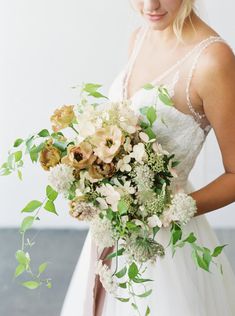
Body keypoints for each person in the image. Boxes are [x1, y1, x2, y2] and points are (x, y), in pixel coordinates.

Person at [60, 1, 235, 315]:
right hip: (114, 231)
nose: (150, 5)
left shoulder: (212, 60)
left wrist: (171, 209)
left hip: (166, 244)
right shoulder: (140, 36)